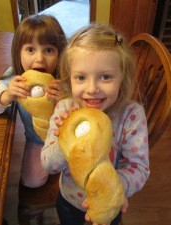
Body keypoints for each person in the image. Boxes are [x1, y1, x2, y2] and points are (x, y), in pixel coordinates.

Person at [41, 23, 150, 225]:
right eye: (81, 77)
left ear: (122, 78)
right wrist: (64, 141)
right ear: (69, 78)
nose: (92, 89)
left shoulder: (131, 115)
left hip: (109, 204)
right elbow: (48, 164)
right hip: (69, 202)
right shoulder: (65, 110)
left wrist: (117, 188)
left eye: (106, 77)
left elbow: (139, 168)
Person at [0, 14, 67, 188]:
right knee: (31, 182)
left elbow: (85, 109)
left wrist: (67, 98)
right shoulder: (15, 80)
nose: (39, 59)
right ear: (18, 52)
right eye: (30, 49)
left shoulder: (65, 79)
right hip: (37, 140)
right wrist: (6, 95)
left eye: (49, 50)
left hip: (66, 138)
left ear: (60, 53)